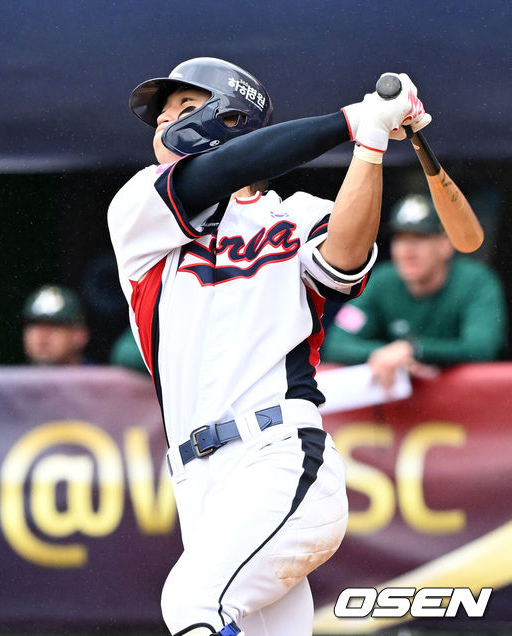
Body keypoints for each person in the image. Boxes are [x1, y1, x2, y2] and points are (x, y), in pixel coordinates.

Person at [107, 57, 430, 636]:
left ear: (232, 117)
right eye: (160, 116)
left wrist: (373, 139)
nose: (163, 123)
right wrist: (353, 118)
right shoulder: (138, 209)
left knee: (192, 604)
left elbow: (345, 262)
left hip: (279, 453)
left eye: (183, 107)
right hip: (196, 481)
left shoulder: (296, 214)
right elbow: (227, 169)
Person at [322, 194, 508, 389]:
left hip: (470, 399)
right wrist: (385, 355)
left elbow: (481, 348)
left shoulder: (476, 281)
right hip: (399, 402)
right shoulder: (382, 280)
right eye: (400, 239)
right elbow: (336, 343)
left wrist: (414, 349)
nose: (407, 252)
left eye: (419, 239)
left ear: (445, 245)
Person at [22, 284, 91, 366]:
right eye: (35, 325)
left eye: (54, 325)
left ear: (79, 335)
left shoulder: (100, 373)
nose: (43, 335)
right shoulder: (13, 374)